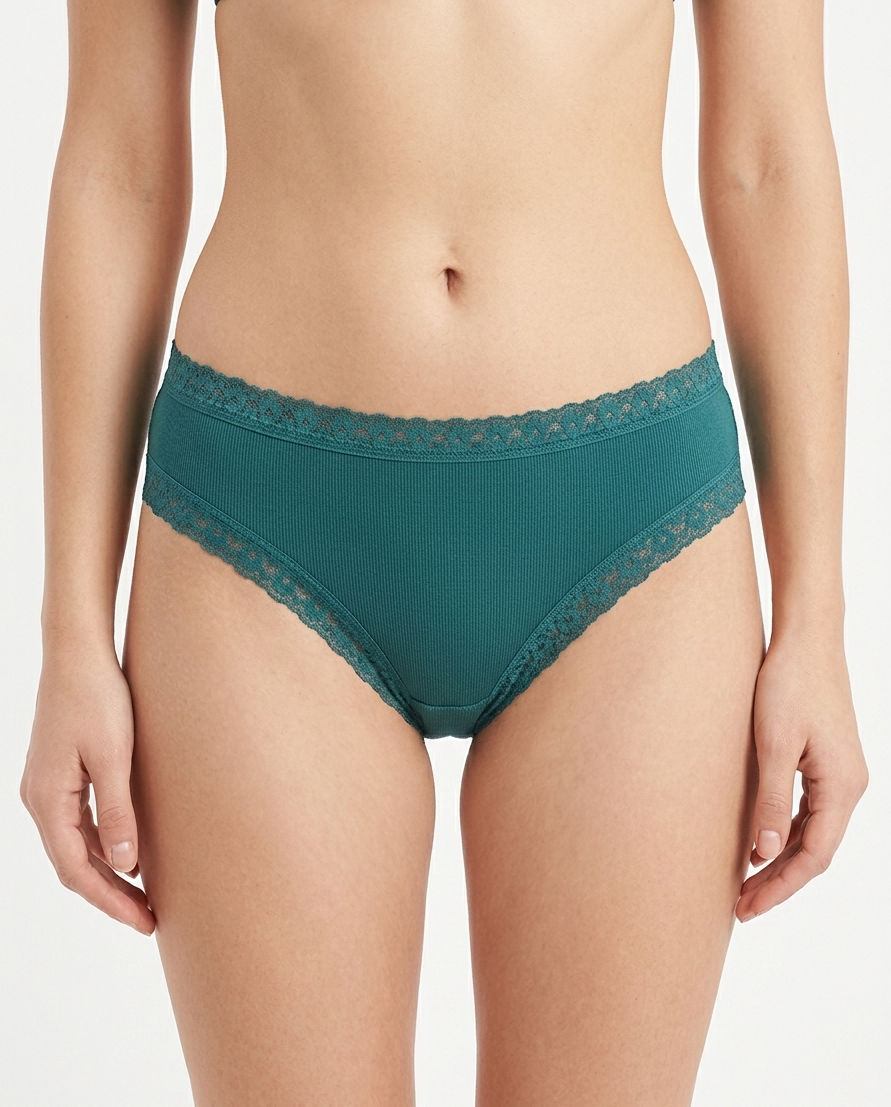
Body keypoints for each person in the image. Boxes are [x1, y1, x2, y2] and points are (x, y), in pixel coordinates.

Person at [20, 0, 868, 1103]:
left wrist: (816, 620)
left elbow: (770, 155)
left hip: (632, 536)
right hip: (260, 537)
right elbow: (117, 163)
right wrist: (71, 633)